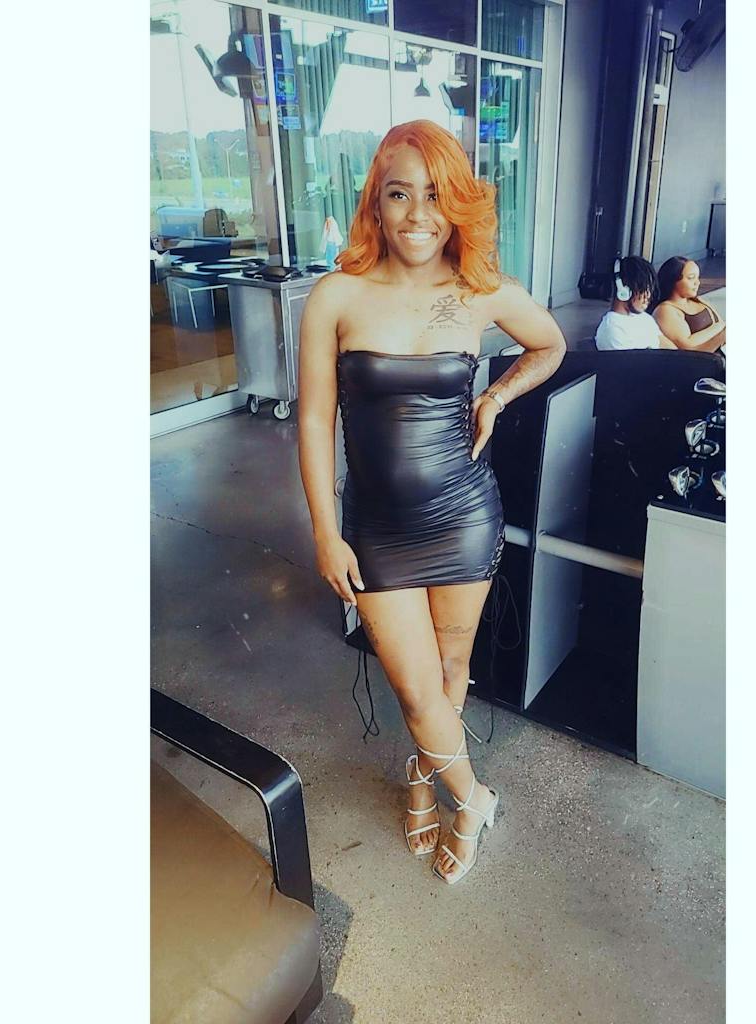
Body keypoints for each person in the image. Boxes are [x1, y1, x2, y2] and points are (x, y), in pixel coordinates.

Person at [297, 120, 566, 885]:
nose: (418, 214)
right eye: (399, 194)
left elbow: (549, 345)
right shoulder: (337, 296)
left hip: (464, 515)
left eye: (435, 195)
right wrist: (325, 531)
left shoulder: (479, 292)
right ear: (375, 204)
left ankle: (424, 783)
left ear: (457, 205)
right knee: (416, 688)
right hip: (375, 529)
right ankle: (473, 799)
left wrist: (498, 396)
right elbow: (314, 419)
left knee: (449, 671)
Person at [594, 255, 676, 350]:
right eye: (643, 289)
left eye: (649, 289)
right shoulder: (612, 329)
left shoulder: (645, 319)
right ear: (623, 289)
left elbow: (670, 349)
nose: (648, 295)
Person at [653, 256, 727, 352]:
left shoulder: (698, 301)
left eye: (698, 277)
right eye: (691, 278)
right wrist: (720, 335)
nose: (697, 282)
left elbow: (721, 325)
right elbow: (687, 348)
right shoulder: (665, 310)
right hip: (704, 358)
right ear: (674, 280)